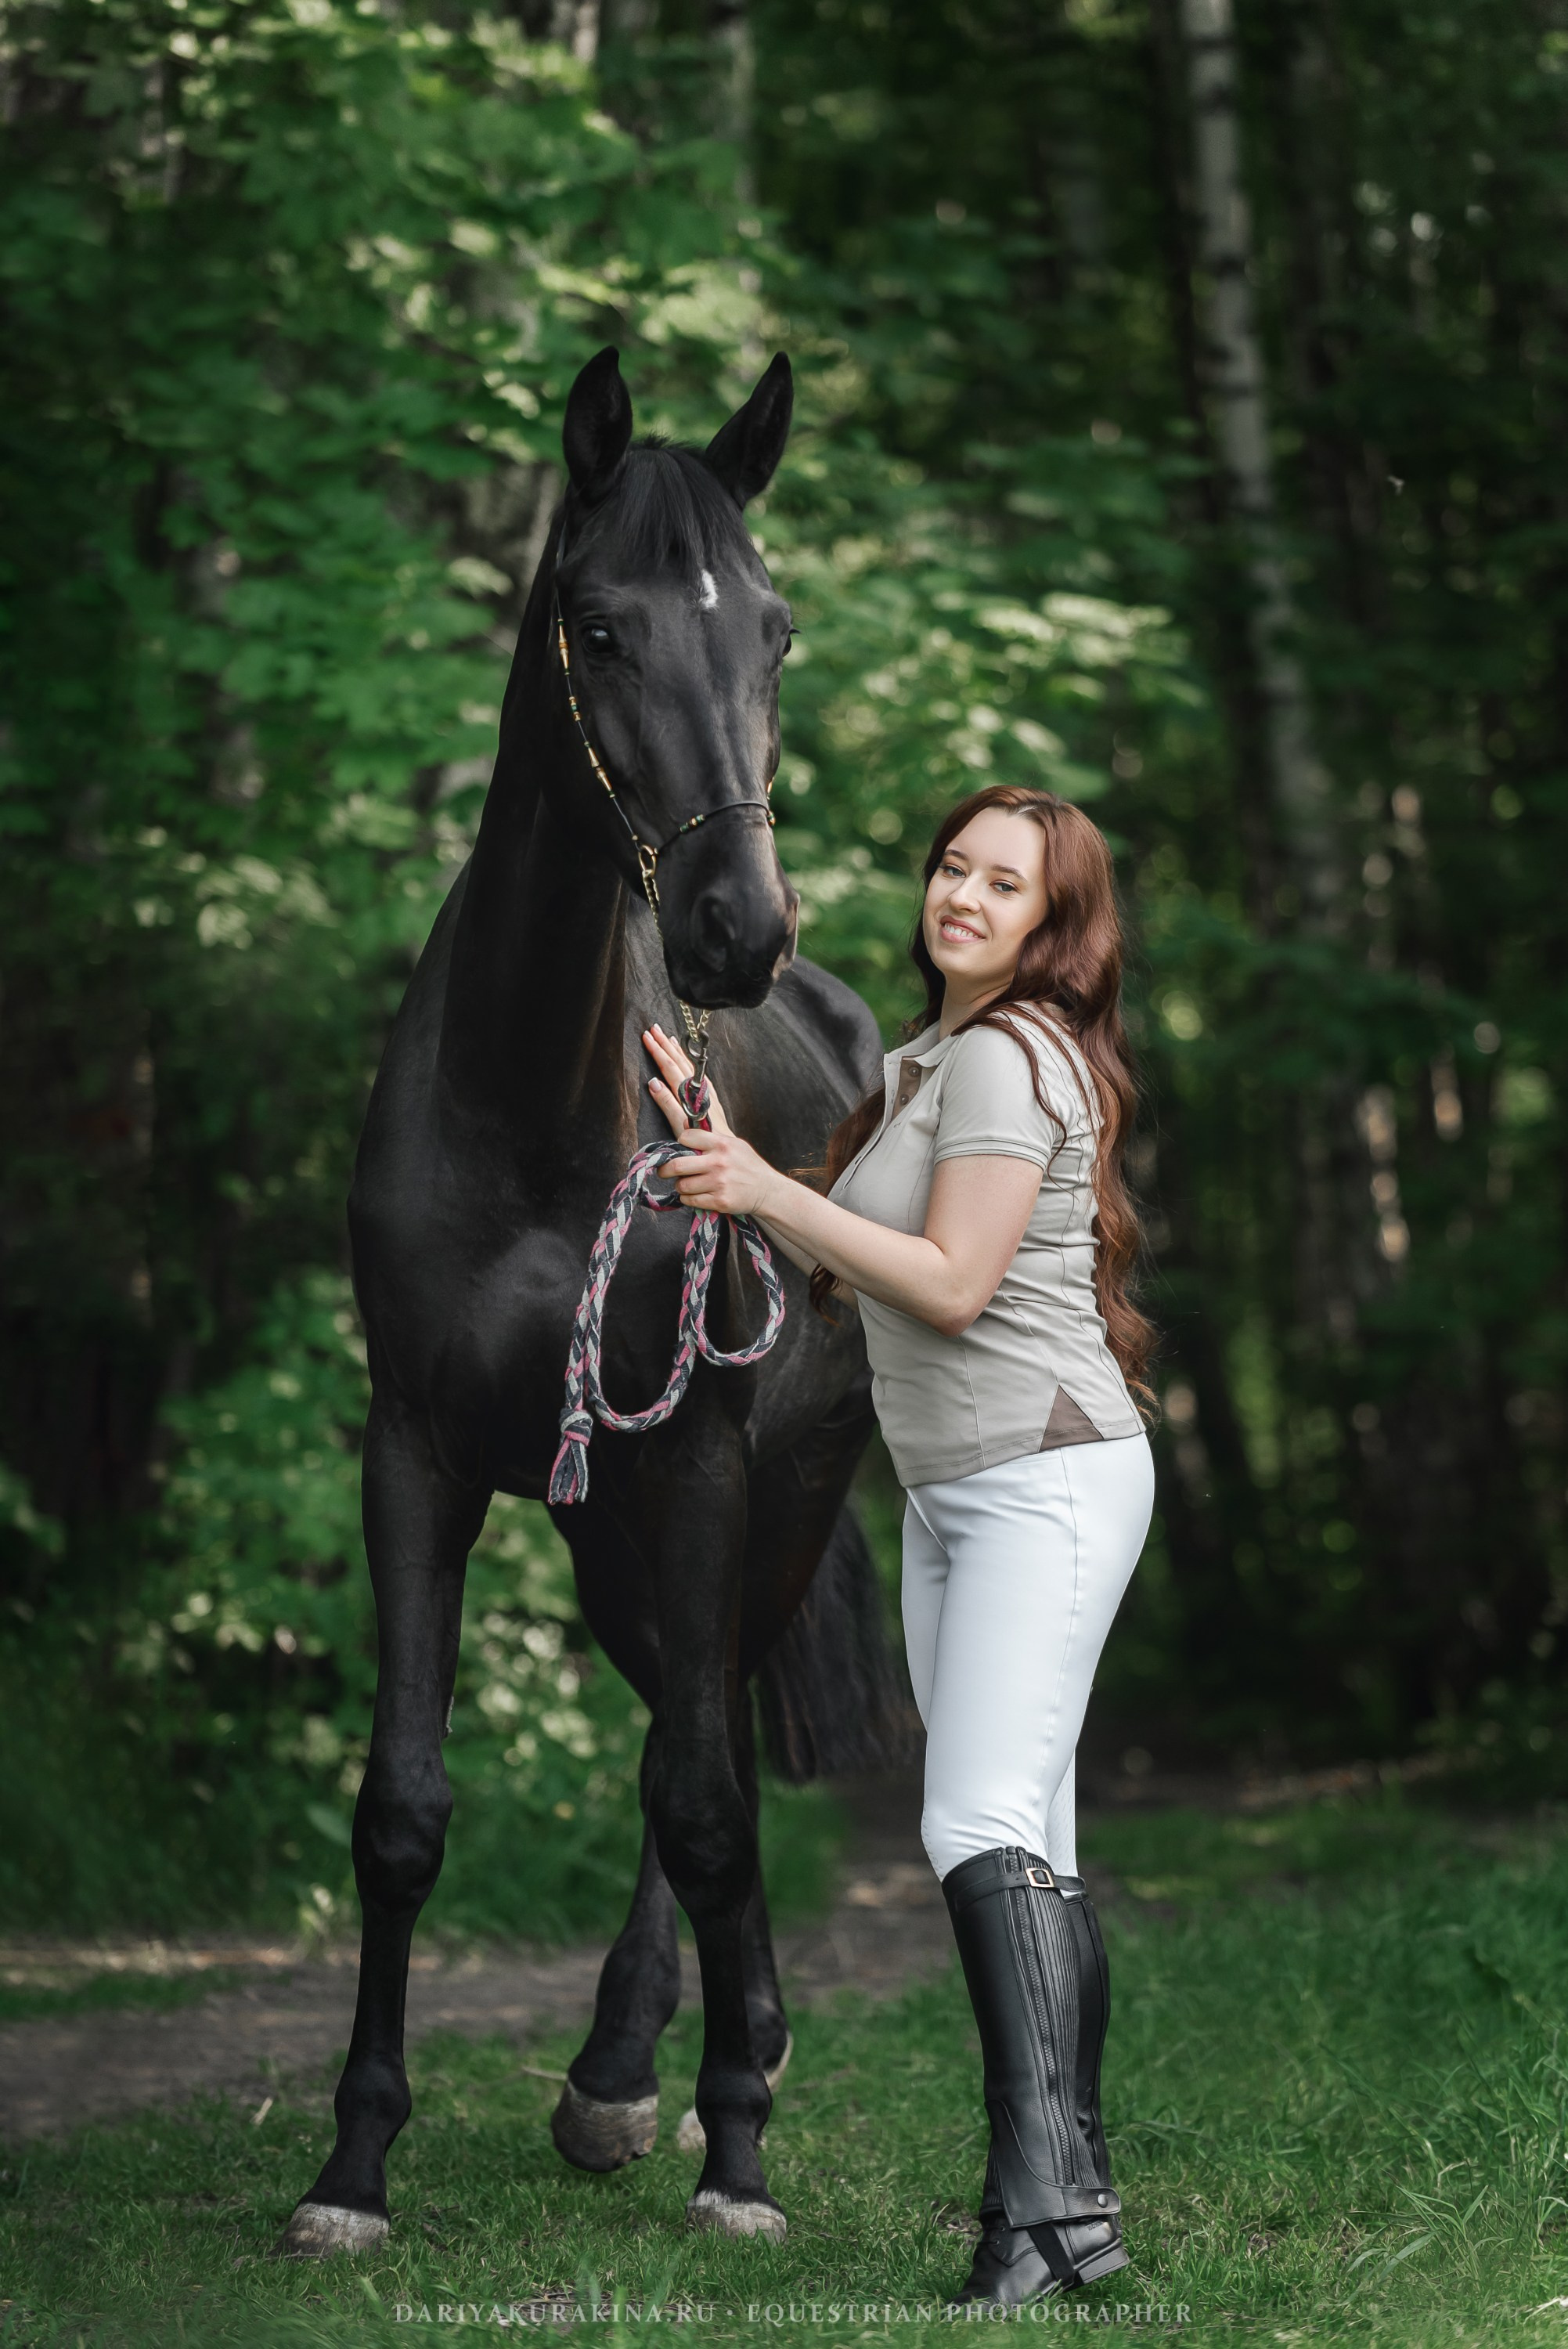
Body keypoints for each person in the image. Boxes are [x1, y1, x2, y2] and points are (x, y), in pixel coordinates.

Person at [642, 781, 1157, 2309]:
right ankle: (1072, 2219)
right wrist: (730, 1155)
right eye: (953, 867)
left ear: (1055, 924)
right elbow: (855, 1254)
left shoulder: (1005, 1061)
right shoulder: (931, 1059)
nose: (965, 897)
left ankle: (1038, 2215)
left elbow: (946, 1281)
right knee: (1036, 1851)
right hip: (960, 1490)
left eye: (1007, 886)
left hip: (1043, 1484)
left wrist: (764, 1192)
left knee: (978, 1827)